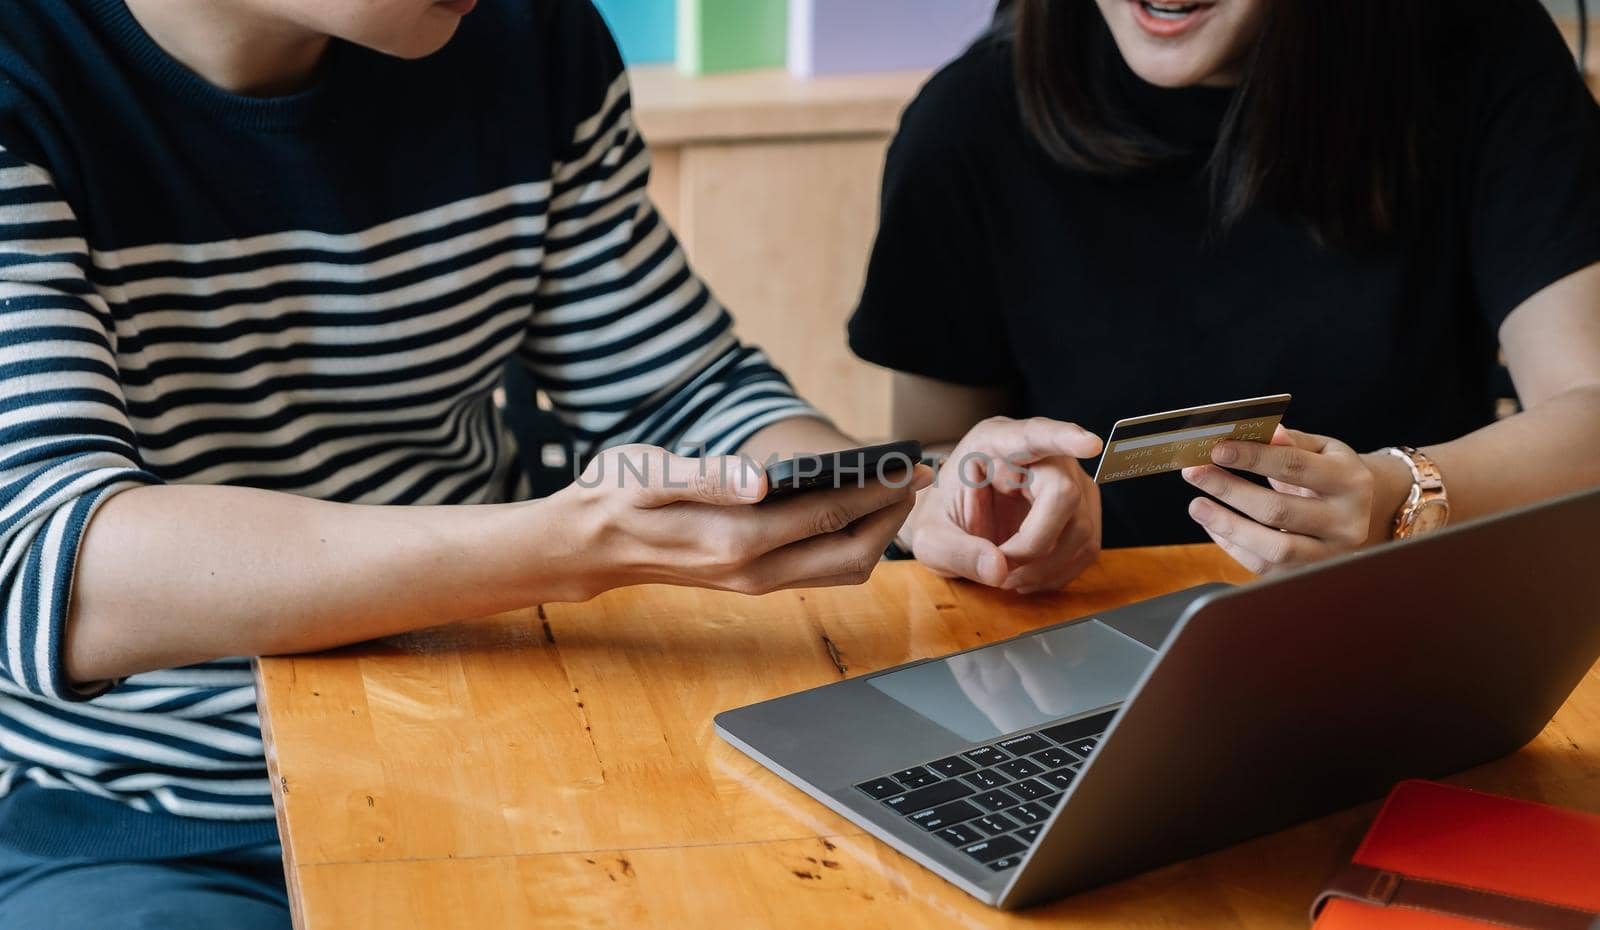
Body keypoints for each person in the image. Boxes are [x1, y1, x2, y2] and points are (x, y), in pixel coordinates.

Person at [0, 0, 992, 925]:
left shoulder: (528, 38)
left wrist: (916, 496)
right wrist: (557, 549)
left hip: (510, 757)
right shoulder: (25, 77)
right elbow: (59, 568)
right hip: (145, 826)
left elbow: (680, 392)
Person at [854, 0, 1600, 587]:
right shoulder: (967, 121)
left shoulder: (1479, 46)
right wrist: (983, 508)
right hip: (1062, 659)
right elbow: (934, 454)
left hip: (1413, 629)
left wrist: (1397, 496)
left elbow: (1590, 406)